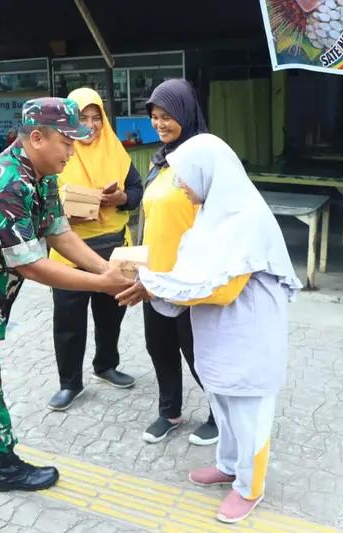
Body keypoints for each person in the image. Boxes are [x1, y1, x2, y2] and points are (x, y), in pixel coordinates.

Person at [0, 97, 133, 493]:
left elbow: (57, 232)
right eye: (67, 142)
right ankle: (5, 466)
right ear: (37, 137)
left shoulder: (43, 173)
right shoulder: (4, 185)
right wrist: (103, 285)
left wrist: (106, 269)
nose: (73, 150)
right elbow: (33, 266)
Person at [118, 133, 301, 523]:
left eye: (184, 176)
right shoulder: (211, 213)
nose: (180, 185)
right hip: (219, 332)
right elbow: (193, 273)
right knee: (222, 400)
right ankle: (229, 464)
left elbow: (223, 287)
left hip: (248, 335)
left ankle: (250, 487)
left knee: (247, 410)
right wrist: (154, 285)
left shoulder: (246, 218)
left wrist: (156, 285)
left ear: (207, 172)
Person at [47, 88, 144, 411]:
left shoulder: (117, 152)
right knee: (69, 322)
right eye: (82, 119)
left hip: (112, 248)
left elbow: (136, 189)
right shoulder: (61, 151)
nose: (90, 126)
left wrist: (121, 199)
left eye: (96, 118)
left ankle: (106, 365)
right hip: (69, 253)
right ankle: (69, 383)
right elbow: (43, 201)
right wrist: (68, 207)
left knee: (110, 316)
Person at [135, 78, 217, 446]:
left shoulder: (203, 160)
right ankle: (170, 411)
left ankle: (221, 414)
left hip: (190, 277)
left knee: (198, 352)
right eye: (154, 116)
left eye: (167, 116)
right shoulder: (159, 163)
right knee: (160, 346)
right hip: (155, 277)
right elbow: (150, 218)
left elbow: (218, 217)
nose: (160, 124)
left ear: (186, 113)